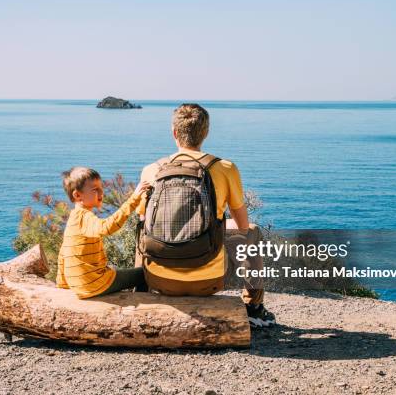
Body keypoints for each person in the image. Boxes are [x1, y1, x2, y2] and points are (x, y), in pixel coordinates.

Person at [135, 104, 276, 327]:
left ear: (174, 132)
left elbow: (143, 221)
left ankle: (140, 293)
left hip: (160, 282)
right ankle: (253, 308)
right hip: (208, 281)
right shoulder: (225, 168)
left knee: (143, 228)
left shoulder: (152, 170)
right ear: (206, 132)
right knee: (252, 231)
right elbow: (241, 226)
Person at [56, 166, 150, 299]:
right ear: (77, 195)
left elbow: (63, 253)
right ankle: (141, 303)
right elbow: (107, 227)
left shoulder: (74, 218)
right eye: (95, 190)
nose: (101, 193)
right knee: (145, 274)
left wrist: (62, 284)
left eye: (101, 188)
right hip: (94, 284)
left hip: (80, 285)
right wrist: (133, 200)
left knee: (119, 272)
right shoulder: (84, 217)